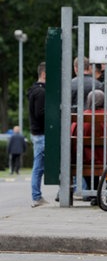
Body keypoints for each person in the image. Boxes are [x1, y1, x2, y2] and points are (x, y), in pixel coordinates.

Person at [28, 62, 48, 208]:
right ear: (44, 74)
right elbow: (40, 113)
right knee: (38, 166)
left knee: (39, 166)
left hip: (37, 133)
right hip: (42, 133)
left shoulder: (34, 91)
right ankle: (36, 196)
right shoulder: (41, 92)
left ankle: (37, 196)